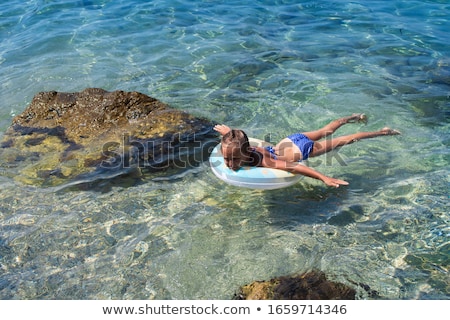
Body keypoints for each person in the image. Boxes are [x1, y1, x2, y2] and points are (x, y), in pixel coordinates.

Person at [213, 114, 400, 188]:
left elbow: (296, 168)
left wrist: (324, 178)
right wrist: (228, 132)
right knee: (325, 130)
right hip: (290, 139)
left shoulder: (264, 161)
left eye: (233, 159)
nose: (229, 164)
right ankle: (352, 117)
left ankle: (383, 132)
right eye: (227, 158)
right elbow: (237, 140)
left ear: (246, 154)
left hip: (302, 149)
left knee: (345, 140)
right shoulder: (242, 147)